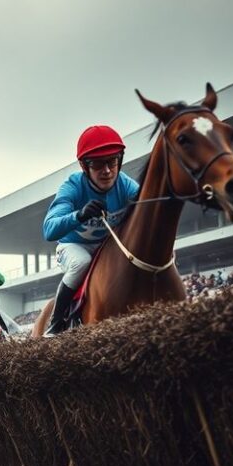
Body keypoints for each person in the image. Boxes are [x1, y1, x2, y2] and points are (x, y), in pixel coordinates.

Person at [42, 125, 140, 336]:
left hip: (107, 247)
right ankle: (55, 323)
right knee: (81, 262)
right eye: (97, 164)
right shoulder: (72, 186)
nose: (107, 171)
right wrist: (79, 215)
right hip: (73, 246)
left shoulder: (126, 185)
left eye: (112, 161)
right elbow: (49, 230)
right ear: (84, 166)